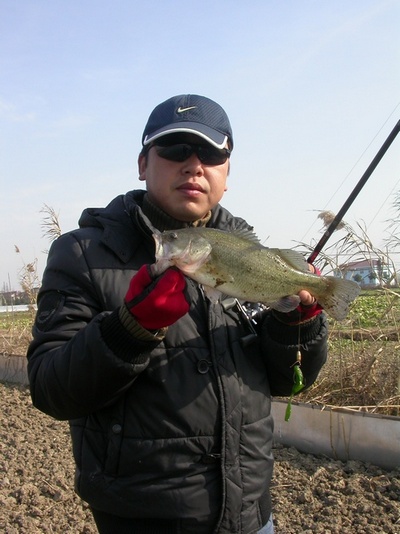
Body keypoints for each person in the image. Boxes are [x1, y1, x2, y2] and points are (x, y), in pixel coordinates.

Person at [27, 94, 328, 534]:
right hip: (143, 521)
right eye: (174, 149)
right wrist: (129, 330)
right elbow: (50, 388)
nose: (193, 165)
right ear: (143, 164)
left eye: (210, 154)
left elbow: (286, 380)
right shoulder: (82, 253)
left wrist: (294, 324)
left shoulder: (249, 251)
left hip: (251, 515)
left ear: (227, 173)